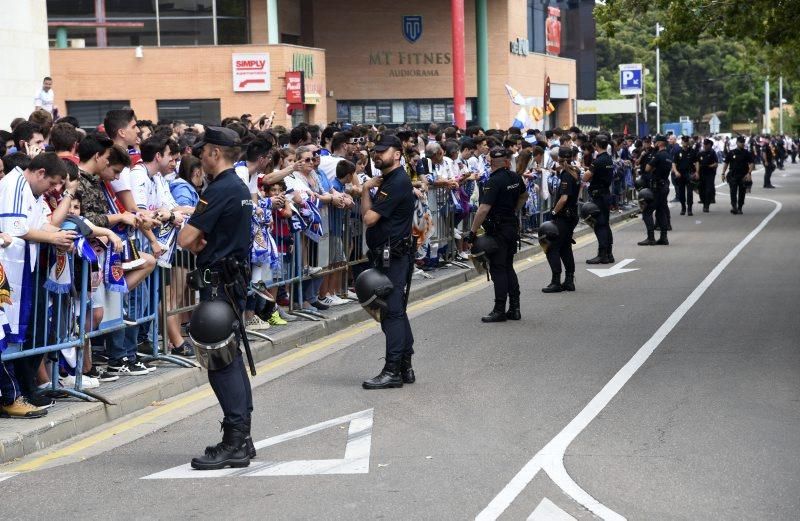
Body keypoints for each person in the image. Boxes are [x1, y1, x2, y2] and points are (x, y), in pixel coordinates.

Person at [177, 126, 256, 470]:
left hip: (218, 285)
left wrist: (194, 239)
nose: (200, 158)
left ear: (214, 153)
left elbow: (185, 238)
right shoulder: (237, 186)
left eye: (203, 151)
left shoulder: (221, 189)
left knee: (220, 363)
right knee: (230, 359)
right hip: (231, 281)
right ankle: (241, 439)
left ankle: (235, 441)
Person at [359, 134, 416, 389]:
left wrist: (365, 189)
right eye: (376, 151)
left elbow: (369, 218)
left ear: (397, 154)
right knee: (396, 312)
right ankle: (404, 365)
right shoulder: (389, 180)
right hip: (389, 254)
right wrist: (365, 189)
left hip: (393, 256)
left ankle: (393, 370)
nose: (377, 155)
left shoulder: (396, 182)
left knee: (391, 313)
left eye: (383, 151)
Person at [465, 146, 527, 322]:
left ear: (490, 162)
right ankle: (515, 308)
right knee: (508, 267)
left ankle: (499, 309)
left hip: (498, 231)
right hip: (511, 227)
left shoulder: (493, 181)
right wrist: (513, 210)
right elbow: (524, 196)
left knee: (498, 269)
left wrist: (472, 231)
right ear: (506, 162)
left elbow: (483, 209)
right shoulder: (515, 177)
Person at [542, 146, 580, 293]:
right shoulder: (575, 171)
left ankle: (556, 281)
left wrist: (553, 211)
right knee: (565, 248)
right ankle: (569, 281)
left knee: (552, 248)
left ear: (559, 158)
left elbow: (563, 198)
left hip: (564, 216)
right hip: (571, 215)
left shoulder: (566, 175)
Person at [583, 135, 615, 264]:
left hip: (598, 196)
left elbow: (586, 177)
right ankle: (609, 253)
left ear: (596, 145)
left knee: (599, 225)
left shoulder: (598, 161)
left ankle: (602, 255)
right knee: (605, 224)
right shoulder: (608, 159)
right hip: (606, 194)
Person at [642, 135, 672, 245]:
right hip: (664, 185)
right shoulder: (668, 156)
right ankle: (664, 237)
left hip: (657, 187)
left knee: (647, 212)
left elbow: (647, 168)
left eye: (655, 142)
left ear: (659, 143)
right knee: (661, 212)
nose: (654, 144)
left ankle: (651, 238)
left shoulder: (658, 155)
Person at [720, 136, 754, 214]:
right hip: (733, 175)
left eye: (743, 142)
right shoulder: (731, 153)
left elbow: (751, 163)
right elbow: (726, 163)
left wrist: (749, 173)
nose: (742, 143)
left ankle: (740, 207)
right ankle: (734, 206)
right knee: (733, 192)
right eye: (741, 142)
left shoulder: (746, 153)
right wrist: (723, 173)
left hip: (743, 175)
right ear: (737, 143)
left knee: (742, 192)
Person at [671, 136, 698, 216]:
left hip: (690, 174)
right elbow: (674, 163)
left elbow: (696, 162)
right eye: (684, 141)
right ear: (682, 142)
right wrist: (675, 171)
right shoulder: (678, 152)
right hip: (680, 174)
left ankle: (689, 209)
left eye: (686, 141)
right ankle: (683, 208)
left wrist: (697, 172)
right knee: (681, 193)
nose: (685, 143)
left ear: (688, 142)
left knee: (690, 193)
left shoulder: (693, 152)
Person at [696, 138, 718, 212]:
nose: (705, 146)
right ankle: (703, 201)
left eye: (706, 145)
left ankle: (706, 205)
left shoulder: (712, 153)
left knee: (708, 189)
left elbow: (716, 163)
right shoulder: (700, 153)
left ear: (709, 145)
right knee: (701, 189)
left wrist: (709, 166)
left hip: (710, 173)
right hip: (701, 173)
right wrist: (697, 172)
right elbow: (697, 163)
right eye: (704, 144)